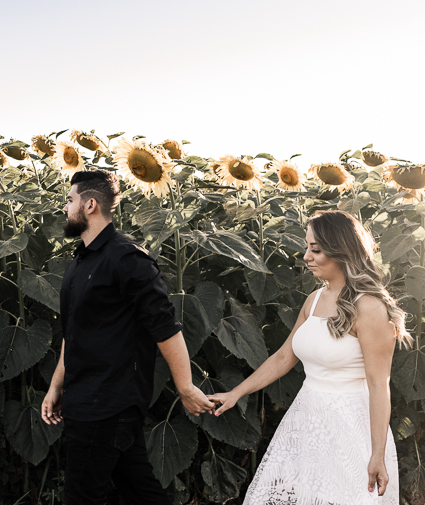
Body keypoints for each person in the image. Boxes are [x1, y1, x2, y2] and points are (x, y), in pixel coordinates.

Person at [209, 210, 411, 503]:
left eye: (315, 249)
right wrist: (235, 393)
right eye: (307, 247)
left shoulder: (370, 308)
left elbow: (380, 385)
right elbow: (282, 358)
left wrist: (376, 454)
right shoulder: (314, 299)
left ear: (341, 250)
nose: (306, 256)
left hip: (350, 427)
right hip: (307, 421)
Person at [41, 170, 214, 505]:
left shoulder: (128, 259)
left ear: (90, 205)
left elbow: (165, 327)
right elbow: (74, 332)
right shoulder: (79, 262)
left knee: (81, 497)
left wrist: (185, 386)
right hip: (86, 400)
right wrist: (56, 386)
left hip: (108, 404)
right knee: (141, 492)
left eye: (69, 199)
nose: (65, 207)